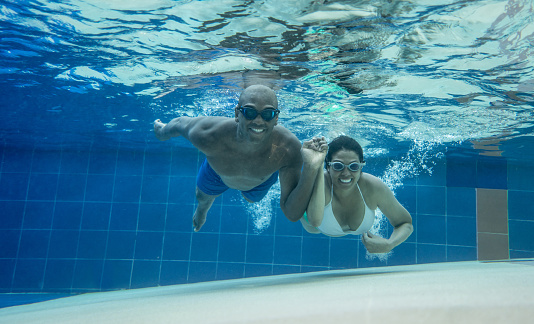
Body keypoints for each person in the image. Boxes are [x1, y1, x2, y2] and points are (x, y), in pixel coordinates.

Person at [154, 84, 317, 232]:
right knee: (201, 196)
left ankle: (247, 194)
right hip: (217, 172)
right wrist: (162, 133)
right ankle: (203, 209)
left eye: (267, 114)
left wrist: (311, 167)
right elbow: (179, 124)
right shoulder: (208, 135)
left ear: (276, 118)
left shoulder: (287, 149)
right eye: (250, 112)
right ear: (237, 114)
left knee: (251, 200)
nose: (258, 121)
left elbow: (292, 213)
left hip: (260, 181)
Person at [300, 135, 413, 253]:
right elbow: (314, 222)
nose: (346, 173)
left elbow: (406, 223)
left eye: (353, 167)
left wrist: (389, 244)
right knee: (311, 224)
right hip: (313, 223)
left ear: (361, 167)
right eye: (338, 166)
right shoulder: (319, 182)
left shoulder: (373, 186)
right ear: (328, 166)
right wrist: (317, 165)